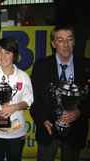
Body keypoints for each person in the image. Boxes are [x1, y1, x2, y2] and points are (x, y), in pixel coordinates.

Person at [30, 24, 90, 161]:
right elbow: (34, 99)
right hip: (48, 131)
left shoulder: (86, 66)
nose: (66, 45)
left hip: (76, 131)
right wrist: (43, 120)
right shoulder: (40, 66)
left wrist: (79, 112)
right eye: (60, 40)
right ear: (53, 43)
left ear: (74, 41)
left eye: (69, 39)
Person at [0, 37, 33, 161]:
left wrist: (15, 107)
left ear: (14, 55)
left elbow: (29, 100)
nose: (3, 56)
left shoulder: (24, 77)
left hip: (16, 131)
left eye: (7, 52)